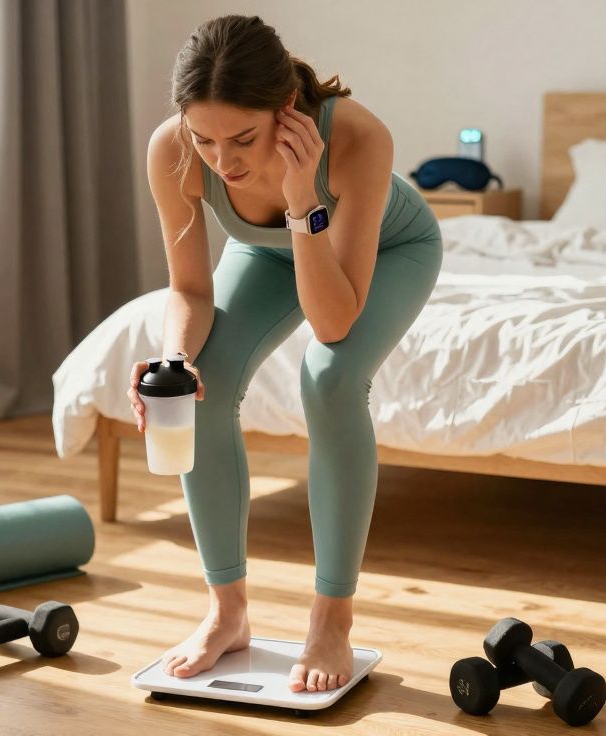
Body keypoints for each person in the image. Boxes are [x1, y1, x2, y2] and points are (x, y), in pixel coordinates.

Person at [128, 14, 443, 693]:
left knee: (329, 378)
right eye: (204, 138)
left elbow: (333, 323)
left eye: (243, 137)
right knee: (198, 380)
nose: (224, 161)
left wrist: (303, 199)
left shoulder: (357, 137)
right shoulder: (173, 151)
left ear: (287, 109)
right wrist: (173, 360)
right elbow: (188, 287)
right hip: (271, 252)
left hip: (385, 253)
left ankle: (332, 617)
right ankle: (226, 612)